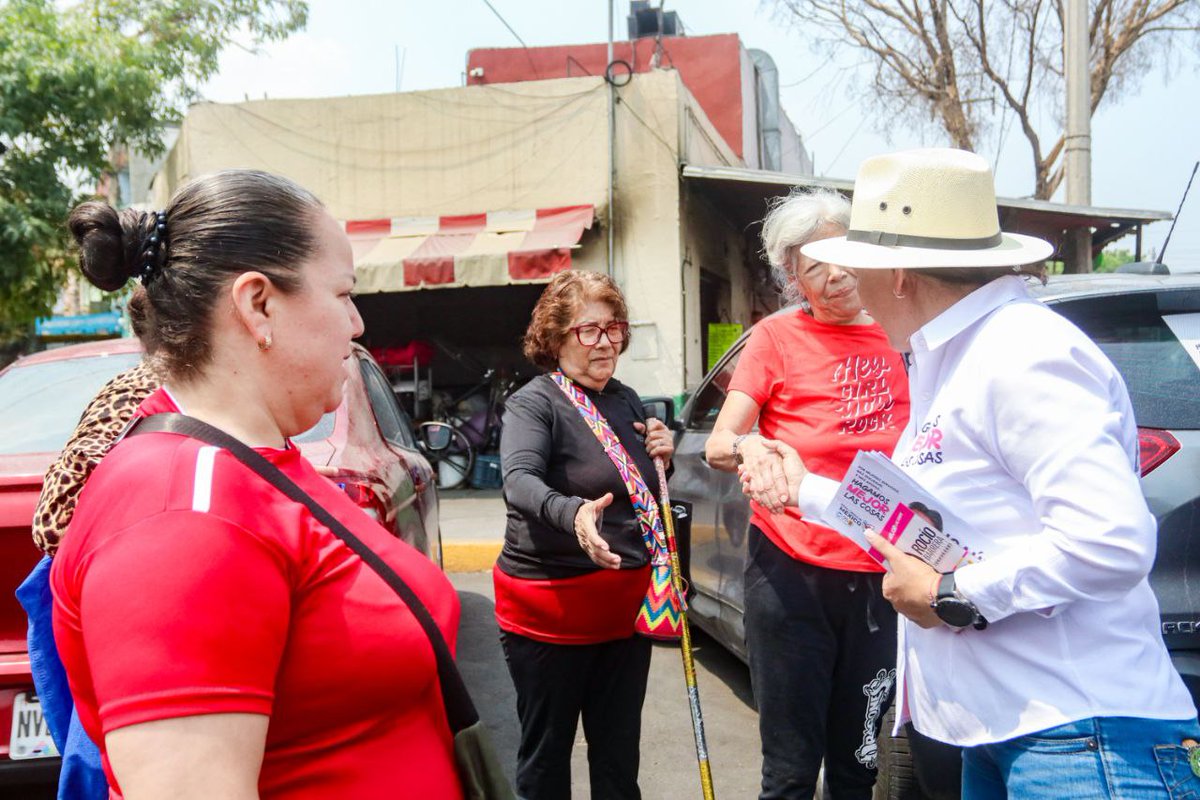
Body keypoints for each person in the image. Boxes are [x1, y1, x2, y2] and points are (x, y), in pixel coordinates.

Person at [749, 148, 1200, 798]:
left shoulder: (1022, 352)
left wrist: (952, 594)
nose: (853, 291)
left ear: (899, 272)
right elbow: (930, 526)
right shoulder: (955, 358)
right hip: (1007, 732)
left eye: (859, 270)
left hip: (1080, 737)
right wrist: (805, 489)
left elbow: (1109, 543)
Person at [51, 170, 465, 799]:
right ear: (258, 304)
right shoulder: (182, 513)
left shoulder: (255, 462)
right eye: (343, 294)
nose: (357, 325)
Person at [704, 189, 911, 799]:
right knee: (791, 768)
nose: (835, 275)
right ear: (792, 275)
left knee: (861, 763)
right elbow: (721, 439)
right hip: (789, 570)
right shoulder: (775, 338)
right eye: (812, 264)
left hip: (882, 569)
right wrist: (753, 448)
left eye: (843, 254)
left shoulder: (905, 334)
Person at [494, 270, 675, 800]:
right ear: (555, 338)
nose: (607, 342)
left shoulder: (625, 399)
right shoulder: (536, 403)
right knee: (547, 757)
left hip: (624, 615)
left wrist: (662, 458)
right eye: (588, 330)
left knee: (618, 755)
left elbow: (639, 493)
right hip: (551, 613)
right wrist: (573, 513)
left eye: (614, 327)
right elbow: (519, 481)